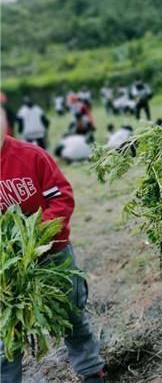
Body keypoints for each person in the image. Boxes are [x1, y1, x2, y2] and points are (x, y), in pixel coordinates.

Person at [0, 108, 106, 383]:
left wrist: (35, 237)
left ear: (6, 123)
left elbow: (61, 200)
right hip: (5, 269)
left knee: (72, 316)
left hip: (53, 255)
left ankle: (92, 372)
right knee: (5, 330)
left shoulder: (32, 156)